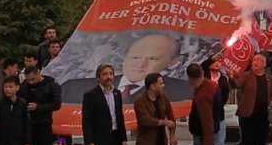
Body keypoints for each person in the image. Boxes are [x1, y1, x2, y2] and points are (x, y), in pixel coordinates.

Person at [60, 32, 192, 104]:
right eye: (135, 57)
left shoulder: (184, 92)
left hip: (131, 144)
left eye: (152, 59)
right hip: (90, 142)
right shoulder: (73, 88)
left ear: (174, 62)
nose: (140, 65)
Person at [233, 55, 272, 145]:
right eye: (254, 60)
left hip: (263, 115)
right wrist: (232, 76)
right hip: (248, 115)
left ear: (264, 64)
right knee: (247, 143)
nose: (255, 62)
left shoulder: (270, 79)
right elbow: (238, 84)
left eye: (259, 61)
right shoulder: (246, 75)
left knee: (260, 143)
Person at [204, 58, 232, 145]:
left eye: (219, 61)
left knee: (220, 144)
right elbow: (203, 63)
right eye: (215, 61)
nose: (217, 63)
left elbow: (225, 97)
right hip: (204, 115)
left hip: (219, 115)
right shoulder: (204, 75)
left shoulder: (223, 80)